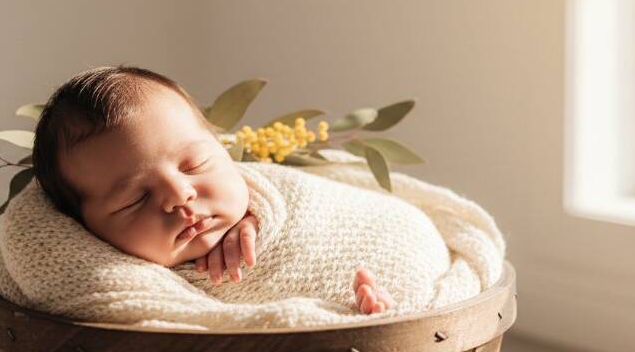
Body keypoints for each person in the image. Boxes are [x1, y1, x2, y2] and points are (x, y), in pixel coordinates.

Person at [31, 65, 394, 315]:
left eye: (194, 165)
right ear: (84, 229)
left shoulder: (279, 201)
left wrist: (259, 215)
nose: (179, 196)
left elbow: (329, 216)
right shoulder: (110, 284)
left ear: (222, 148)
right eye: (136, 199)